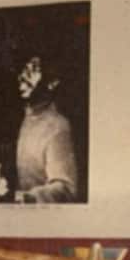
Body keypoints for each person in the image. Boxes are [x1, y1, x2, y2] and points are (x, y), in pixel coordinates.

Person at [12, 54, 78, 204]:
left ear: (52, 82)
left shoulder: (58, 126)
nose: (22, 76)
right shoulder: (25, 118)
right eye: (24, 69)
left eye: (33, 70)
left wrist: (25, 198)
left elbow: (66, 189)